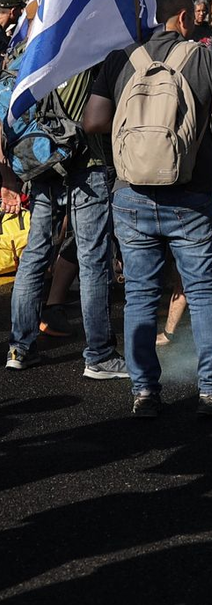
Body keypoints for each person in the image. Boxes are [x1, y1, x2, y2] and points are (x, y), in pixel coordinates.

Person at [83, 0, 212, 418]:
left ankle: (145, 393)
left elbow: (93, 119)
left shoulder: (121, 58)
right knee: (203, 291)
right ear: (185, 19)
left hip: (131, 194)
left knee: (139, 295)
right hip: (189, 196)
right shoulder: (204, 57)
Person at [3, 64, 125, 378]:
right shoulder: (90, 52)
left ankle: (19, 347)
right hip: (88, 163)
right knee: (93, 258)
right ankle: (98, 354)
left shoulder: (34, 53)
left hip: (43, 162)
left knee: (35, 253)